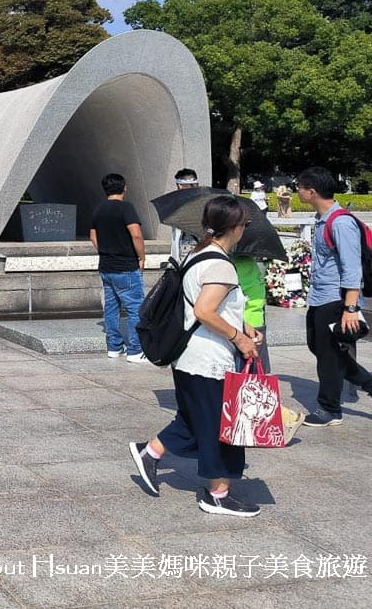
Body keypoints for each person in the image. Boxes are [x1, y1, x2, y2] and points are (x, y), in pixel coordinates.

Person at [129, 195, 264, 517]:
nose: (246, 229)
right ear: (234, 227)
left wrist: (241, 323)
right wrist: (240, 338)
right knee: (218, 427)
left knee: (193, 417)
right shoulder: (220, 264)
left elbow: (205, 304)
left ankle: (150, 452)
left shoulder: (200, 253)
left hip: (191, 357)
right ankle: (217, 494)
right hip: (208, 359)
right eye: (245, 224)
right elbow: (204, 310)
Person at [296, 166, 372, 426]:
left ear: (312, 192)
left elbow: (351, 269)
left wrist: (350, 308)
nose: (297, 192)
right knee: (320, 347)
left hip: (337, 300)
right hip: (321, 296)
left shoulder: (340, 222)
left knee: (328, 356)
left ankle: (329, 410)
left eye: (300, 188)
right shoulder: (323, 220)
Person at [88, 173, 147, 363]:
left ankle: (114, 347)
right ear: (124, 188)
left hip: (106, 266)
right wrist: (141, 257)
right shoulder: (126, 208)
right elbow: (136, 235)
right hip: (126, 266)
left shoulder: (98, 209)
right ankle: (135, 350)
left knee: (111, 308)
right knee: (135, 308)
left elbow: (92, 236)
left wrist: (105, 251)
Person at [233, 256, 271, 371]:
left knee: (241, 372)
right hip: (257, 322)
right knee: (255, 373)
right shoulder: (253, 265)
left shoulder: (234, 265)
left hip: (243, 325)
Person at [171, 167, 201, 261]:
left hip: (189, 251)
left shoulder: (177, 203)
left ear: (179, 186)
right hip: (199, 250)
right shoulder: (204, 201)